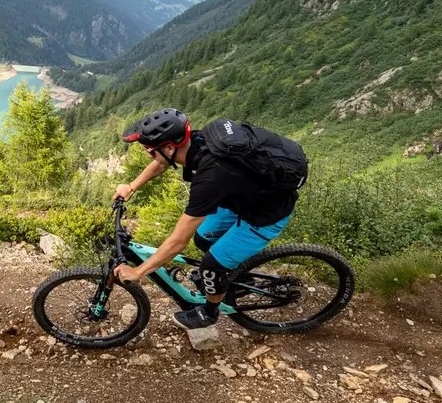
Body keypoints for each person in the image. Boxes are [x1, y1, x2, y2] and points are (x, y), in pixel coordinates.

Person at [112, 108, 302, 330]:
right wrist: (131, 186)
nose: (148, 155)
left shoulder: (210, 178)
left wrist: (138, 272)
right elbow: (162, 162)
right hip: (239, 199)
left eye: (151, 151)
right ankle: (239, 279)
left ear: (170, 147)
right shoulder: (198, 141)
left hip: (265, 214)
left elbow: (177, 242)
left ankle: (210, 312)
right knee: (203, 238)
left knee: (210, 266)